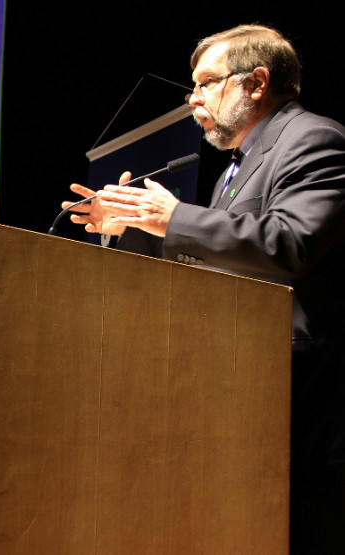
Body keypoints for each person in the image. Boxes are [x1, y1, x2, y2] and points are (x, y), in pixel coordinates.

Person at [63, 24, 345, 551]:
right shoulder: (234, 169)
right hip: (235, 378)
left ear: (256, 83)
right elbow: (210, 264)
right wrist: (134, 227)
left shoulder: (313, 138)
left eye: (207, 82)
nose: (193, 98)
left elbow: (291, 242)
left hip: (295, 389)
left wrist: (174, 218)